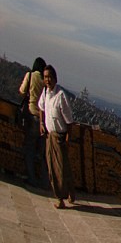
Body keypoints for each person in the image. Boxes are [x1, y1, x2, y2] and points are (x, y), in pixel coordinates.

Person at [38, 65, 75, 209]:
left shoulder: (60, 96)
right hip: (49, 135)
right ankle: (68, 193)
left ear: (55, 78)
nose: (47, 80)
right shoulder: (45, 93)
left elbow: (69, 120)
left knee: (60, 168)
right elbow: (41, 107)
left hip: (60, 136)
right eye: (45, 77)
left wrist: (67, 138)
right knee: (54, 166)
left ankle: (61, 198)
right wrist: (41, 123)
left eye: (49, 77)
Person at [18, 57, 47, 187]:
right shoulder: (46, 81)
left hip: (31, 115)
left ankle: (32, 178)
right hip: (44, 120)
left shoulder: (30, 76)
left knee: (29, 148)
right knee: (41, 153)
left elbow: (22, 91)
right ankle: (44, 180)